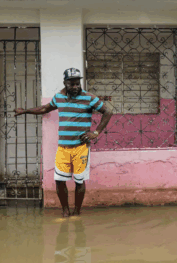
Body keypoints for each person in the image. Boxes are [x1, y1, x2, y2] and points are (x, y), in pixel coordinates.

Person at [15, 68, 113, 217]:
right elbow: (44, 108)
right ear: (65, 83)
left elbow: (108, 112)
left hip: (81, 148)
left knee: (79, 181)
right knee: (59, 181)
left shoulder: (89, 98)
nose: (75, 87)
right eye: (72, 84)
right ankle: (65, 211)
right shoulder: (59, 98)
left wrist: (95, 133)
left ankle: (77, 211)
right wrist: (25, 111)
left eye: (77, 84)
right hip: (63, 148)